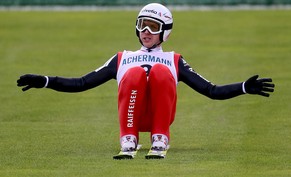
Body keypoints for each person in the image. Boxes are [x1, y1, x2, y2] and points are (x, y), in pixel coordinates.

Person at [17, 3, 275, 154]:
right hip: (131, 114)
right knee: (135, 72)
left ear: (165, 32)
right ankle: (128, 138)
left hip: (160, 116)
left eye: (153, 26)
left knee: (162, 72)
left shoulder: (174, 60)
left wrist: (243, 87)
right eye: (142, 25)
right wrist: (46, 81)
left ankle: (160, 137)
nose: (146, 31)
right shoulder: (122, 57)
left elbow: (211, 90)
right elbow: (83, 83)